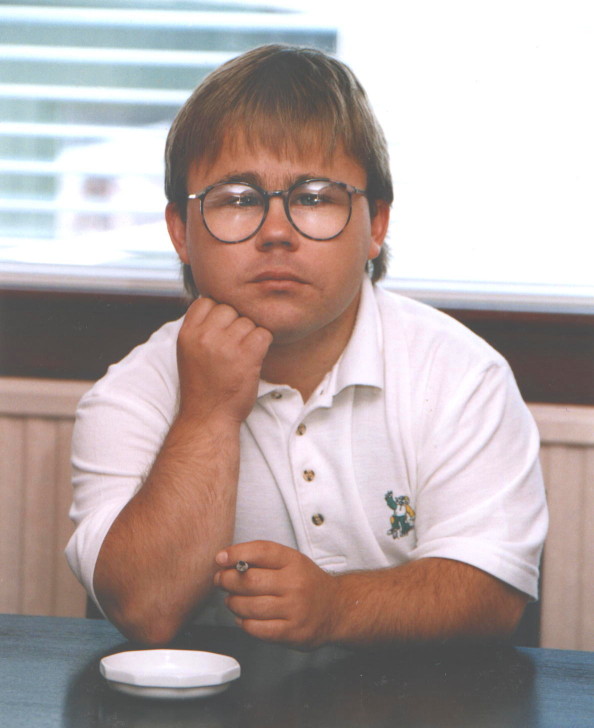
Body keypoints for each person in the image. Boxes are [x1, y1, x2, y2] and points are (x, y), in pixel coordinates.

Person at [66, 45, 547, 648]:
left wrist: (336, 607)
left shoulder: (461, 374)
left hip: (424, 725)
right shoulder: (130, 393)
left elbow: (493, 596)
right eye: (238, 199)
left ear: (375, 225)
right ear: (180, 233)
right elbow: (145, 609)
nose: (275, 233)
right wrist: (208, 412)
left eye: (315, 197)